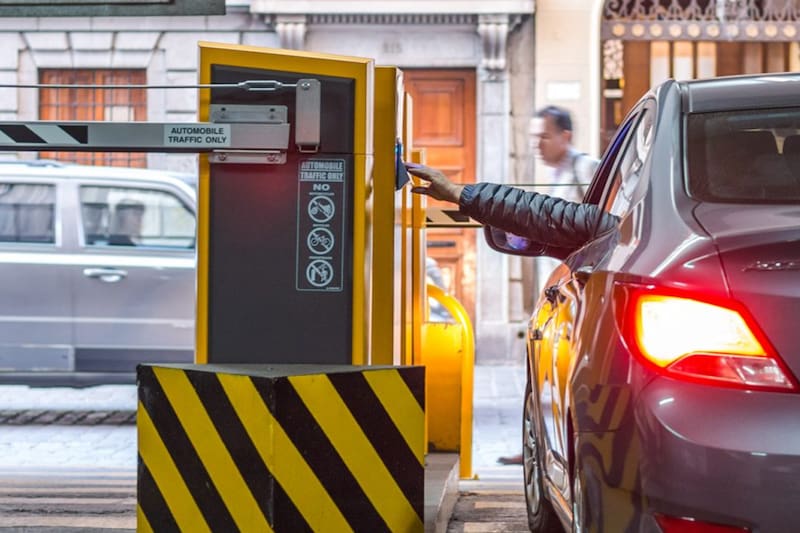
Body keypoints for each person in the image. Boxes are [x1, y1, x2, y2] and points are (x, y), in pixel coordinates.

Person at [405, 106, 616, 465]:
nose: (537, 144)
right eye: (533, 136)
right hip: (568, 284)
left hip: (589, 290)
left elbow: (556, 218)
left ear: (565, 136)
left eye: (544, 135)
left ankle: (553, 446)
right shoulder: (560, 171)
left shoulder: (587, 170)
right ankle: (543, 443)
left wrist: (460, 194)